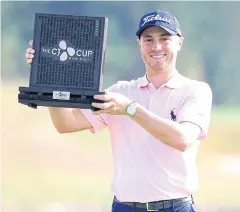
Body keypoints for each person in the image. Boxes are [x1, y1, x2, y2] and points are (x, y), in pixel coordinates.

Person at [25, 9, 212, 212]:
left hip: (175, 207)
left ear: (179, 43)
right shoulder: (120, 91)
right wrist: (49, 76)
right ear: (139, 44)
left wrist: (130, 109)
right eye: (148, 39)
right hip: (124, 207)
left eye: (165, 38)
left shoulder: (195, 90)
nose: (156, 46)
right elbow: (65, 123)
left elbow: (183, 139)